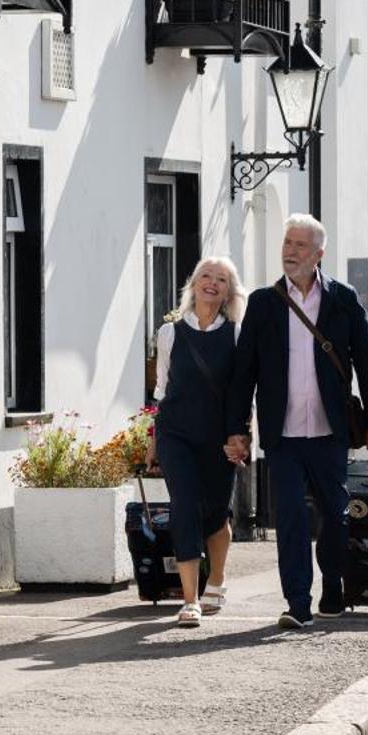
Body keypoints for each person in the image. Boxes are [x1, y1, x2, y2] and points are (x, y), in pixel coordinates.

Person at [225, 213, 368, 629]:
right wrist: (238, 429)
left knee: (336, 515)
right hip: (282, 433)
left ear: (319, 253)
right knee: (291, 519)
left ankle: (332, 581)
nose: (290, 252)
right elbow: (244, 371)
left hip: (328, 429)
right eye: (287, 243)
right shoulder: (264, 303)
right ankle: (297, 602)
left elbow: (367, 364)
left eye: (300, 245)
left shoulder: (343, 299)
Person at [152, 256, 243, 629]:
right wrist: (154, 438)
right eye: (205, 275)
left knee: (216, 514)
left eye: (220, 279)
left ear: (227, 291)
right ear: (193, 283)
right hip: (177, 433)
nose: (211, 283)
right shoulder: (170, 332)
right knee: (184, 506)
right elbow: (161, 389)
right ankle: (190, 600)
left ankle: (216, 581)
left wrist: (241, 435)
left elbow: (243, 392)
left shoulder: (236, 334)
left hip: (220, 437)